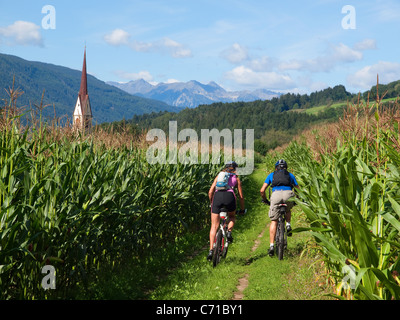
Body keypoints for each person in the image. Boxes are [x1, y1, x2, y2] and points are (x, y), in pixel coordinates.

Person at [260, 159, 299, 256]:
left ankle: (272, 246)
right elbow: (298, 189)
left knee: (274, 221)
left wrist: (265, 200)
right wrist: (297, 199)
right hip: (288, 195)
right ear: (286, 167)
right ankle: (288, 225)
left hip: (276, 195)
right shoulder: (290, 175)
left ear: (276, 167)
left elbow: (262, 190)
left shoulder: (271, 175)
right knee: (288, 209)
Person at [207, 161, 245, 261]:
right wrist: (241, 209)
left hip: (217, 198)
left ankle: (211, 250)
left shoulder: (219, 176)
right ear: (235, 169)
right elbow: (241, 197)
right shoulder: (236, 178)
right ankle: (228, 232)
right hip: (229, 197)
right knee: (232, 217)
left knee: (214, 226)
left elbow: (210, 191)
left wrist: (212, 202)